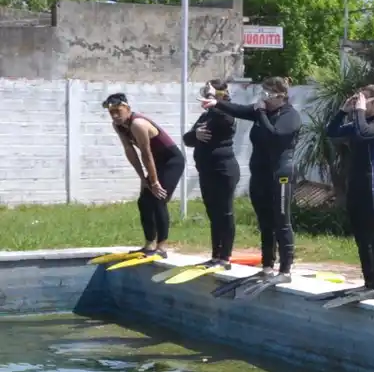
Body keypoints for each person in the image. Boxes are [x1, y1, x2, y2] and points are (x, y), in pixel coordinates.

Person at [204, 77, 302, 292]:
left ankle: (285, 270)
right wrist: (216, 102)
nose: (263, 98)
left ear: (281, 96)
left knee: (281, 220)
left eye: (267, 94)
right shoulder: (262, 111)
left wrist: (260, 113)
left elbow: (274, 136)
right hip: (260, 174)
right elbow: (238, 109)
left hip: (281, 175)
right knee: (265, 221)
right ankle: (267, 266)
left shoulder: (290, 116)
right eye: (262, 93)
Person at [324, 83, 374, 305]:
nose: (357, 105)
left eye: (362, 100)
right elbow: (331, 132)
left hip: (372, 185)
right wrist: (343, 110)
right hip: (355, 183)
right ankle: (368, 281)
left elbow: (363, 134)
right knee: (361, 234)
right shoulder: (359, 122)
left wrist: (361, 111)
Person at [104, 92, 186, 260]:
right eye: (111, 112)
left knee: (158, 199)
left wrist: (154, 182)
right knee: (143, 202)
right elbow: (130, 151)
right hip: (156, 162)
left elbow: (146, 154)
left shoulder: (138, 124)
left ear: (127, 108)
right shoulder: (118, 125)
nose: (115, 115)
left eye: (118, 111)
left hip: (171, 161)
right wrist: (143, 178)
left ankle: (161, 247)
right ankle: (149, 245)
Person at [182, 79, 240, 270]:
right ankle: (215, 255)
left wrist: (211, 96)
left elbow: (225, 119)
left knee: (225, 212)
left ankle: (225, 257)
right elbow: (187, 138)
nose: (204, 96)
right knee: (213, 213)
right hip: (206, 170)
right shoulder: (207, 116)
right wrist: (196, 134)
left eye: (208, 92)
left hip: (224, 170)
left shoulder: (226, 111)